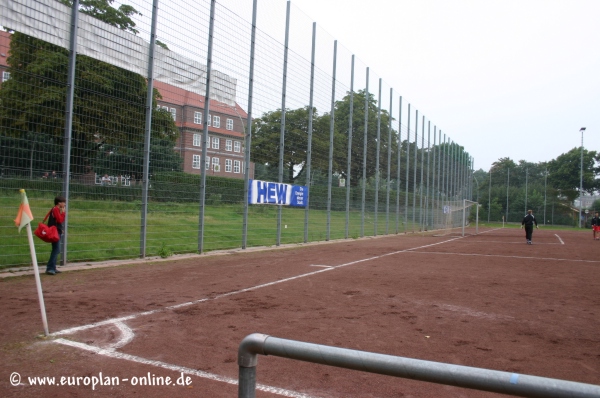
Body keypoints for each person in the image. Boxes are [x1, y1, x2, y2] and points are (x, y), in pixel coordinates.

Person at [45, 196, 66, 275]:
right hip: (55, 232)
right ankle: (50, 268)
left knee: (56, 249)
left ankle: (53, 267)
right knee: (56, 249)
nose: (64, 204)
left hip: (57, 231)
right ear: (59, 203)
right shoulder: (56, 209)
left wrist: (61, 229)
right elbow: (60, 220)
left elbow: (58, 222)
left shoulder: (56, 209)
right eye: (63, 202)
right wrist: (63, 212)